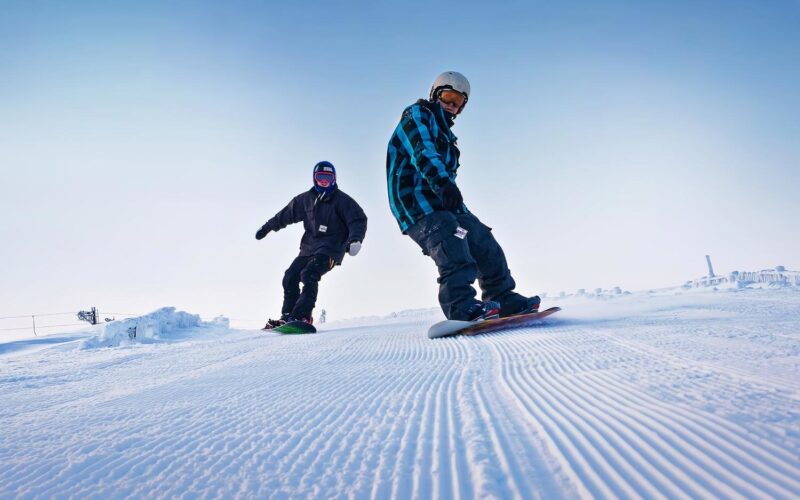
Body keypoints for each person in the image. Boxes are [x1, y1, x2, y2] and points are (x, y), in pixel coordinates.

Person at [386, 71, 540, 322]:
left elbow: (448, 184)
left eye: (458, 104)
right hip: (415, 205)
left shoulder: (449, 137)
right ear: (435, 95)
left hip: (442, 205)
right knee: (451, 242)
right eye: (447, 98)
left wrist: (463, 212)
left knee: (482, 239)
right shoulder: (417, 116)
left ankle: (502, 296)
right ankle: (460, 305)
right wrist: (444, 185)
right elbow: (423, 152)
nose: (451, 106)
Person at [256, 161, 367, 328]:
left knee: (309, 274)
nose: (324, 181)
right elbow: (284, 215)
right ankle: (287, 316)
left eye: (327, 178)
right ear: (315, 179)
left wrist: (355, 240)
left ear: (334, 179)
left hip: (331, 249)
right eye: (320, 177)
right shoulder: (305, 200)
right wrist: (267, 228)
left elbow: (358, 219)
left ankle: (302, 317)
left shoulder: (342, 201)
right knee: (290, 277)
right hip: (308, 248)